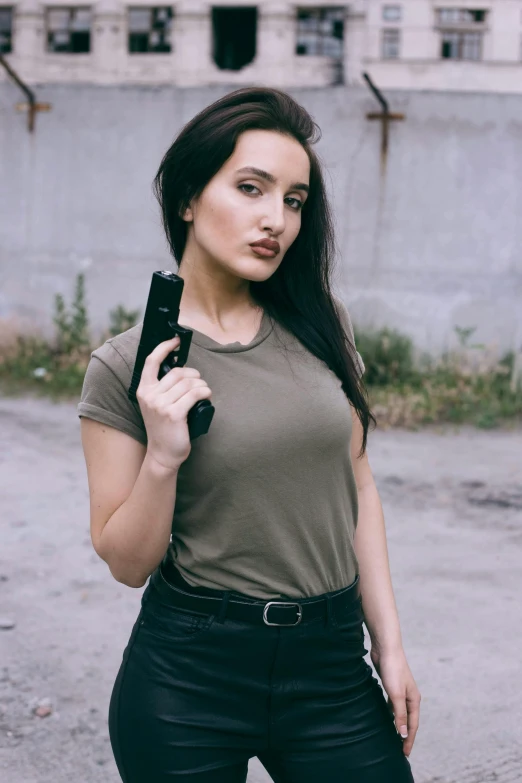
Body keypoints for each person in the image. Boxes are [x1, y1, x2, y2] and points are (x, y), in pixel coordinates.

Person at [78, 86, 421, 783]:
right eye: (251, 188)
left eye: (293, 200)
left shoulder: (323, 325)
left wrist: (389, 643)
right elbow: (126, 562)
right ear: (188, 198)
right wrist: (164, 459)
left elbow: (356, 480)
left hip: (330, 667)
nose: (276, 219)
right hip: (189, 677)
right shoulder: (126, 364)